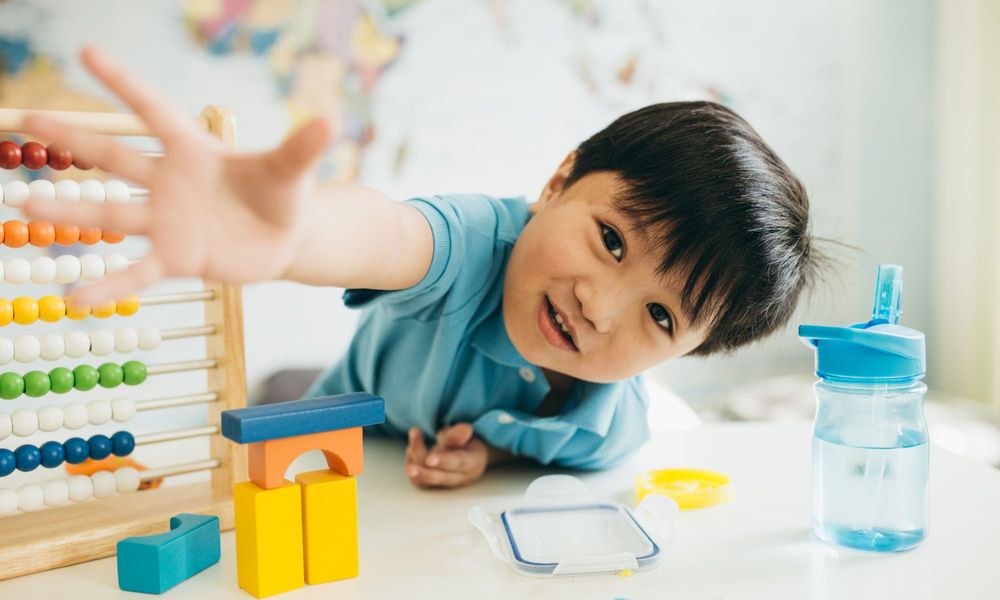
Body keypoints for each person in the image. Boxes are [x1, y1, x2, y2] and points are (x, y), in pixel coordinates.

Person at [20, 47, 817, 489]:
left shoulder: (616, 419)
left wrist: (493, 452)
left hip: (408, 425)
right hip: (334, 396)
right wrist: (294, 234)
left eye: (662, 317)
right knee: (279, 395)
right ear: (557, 183)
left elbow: (590, 451)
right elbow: (389, 235)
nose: (601, 307)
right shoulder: (477, 244)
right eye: (611, 240)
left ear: (680, 358)